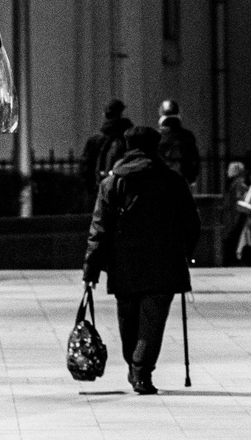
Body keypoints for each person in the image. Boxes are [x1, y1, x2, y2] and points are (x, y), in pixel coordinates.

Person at [82, 124, 201, 392]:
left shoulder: (112, 183)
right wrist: (185, 253)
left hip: (124, 265)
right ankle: (141, 370)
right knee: (153, 322)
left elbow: (99, 228)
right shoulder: (173, 181)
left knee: (129, 320)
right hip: (164, 264)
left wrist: (91, 270)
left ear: (128, 148)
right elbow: (192, 222)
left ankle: (135, 365)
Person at [81, 97, 131, 198]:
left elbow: (85, 168)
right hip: (124, 189)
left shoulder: (95, 139)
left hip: (101, 187)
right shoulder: (128, 137)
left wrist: (91, 189)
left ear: (104, 114)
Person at [157, 97, 201, 184]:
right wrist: (192, 177)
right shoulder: (187, 135)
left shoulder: (157, 135)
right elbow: (194, 158)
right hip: (182, 176)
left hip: (162, 178)